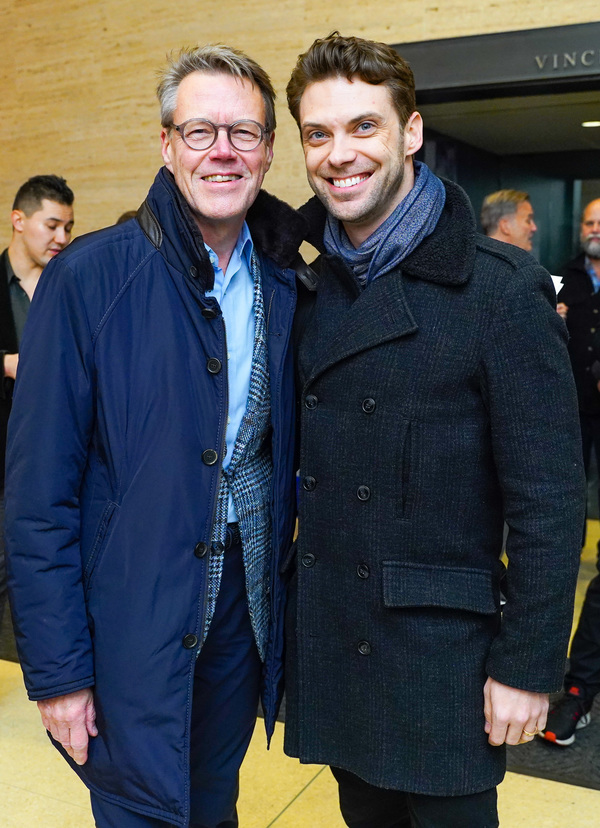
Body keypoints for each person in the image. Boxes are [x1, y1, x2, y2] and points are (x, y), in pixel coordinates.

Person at [283, 32, 584, 827]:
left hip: (444, 662)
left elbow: (550, 500)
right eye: (319, 133)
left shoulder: (499, 290)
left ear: (411, 133)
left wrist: (527, 665)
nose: (339, 154)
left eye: (363, 127)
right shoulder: (308, 286)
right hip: (341, 639)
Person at [5, 45, 305, 828]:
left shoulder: (289, 281)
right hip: (129, 617)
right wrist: (58, 672)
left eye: (245, 132)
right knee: (138, 806)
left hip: (242, 614)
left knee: (212, 800)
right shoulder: (90, 279)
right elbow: (38, 498)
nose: (224, 151)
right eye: (200, 130)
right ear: (166, 144)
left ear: (270, 151)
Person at [0, 175, 74, 631]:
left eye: (68, 226)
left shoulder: (69, 284)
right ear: (18, 220)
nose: (61, 238)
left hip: (57, 460)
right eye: (51, 226)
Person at [541, 198, 600, 747]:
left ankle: (582, 683)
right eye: (588, 222)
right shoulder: (563, 279)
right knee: (563, 525)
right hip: (573, 417)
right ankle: (574, 687)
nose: (594, 230)